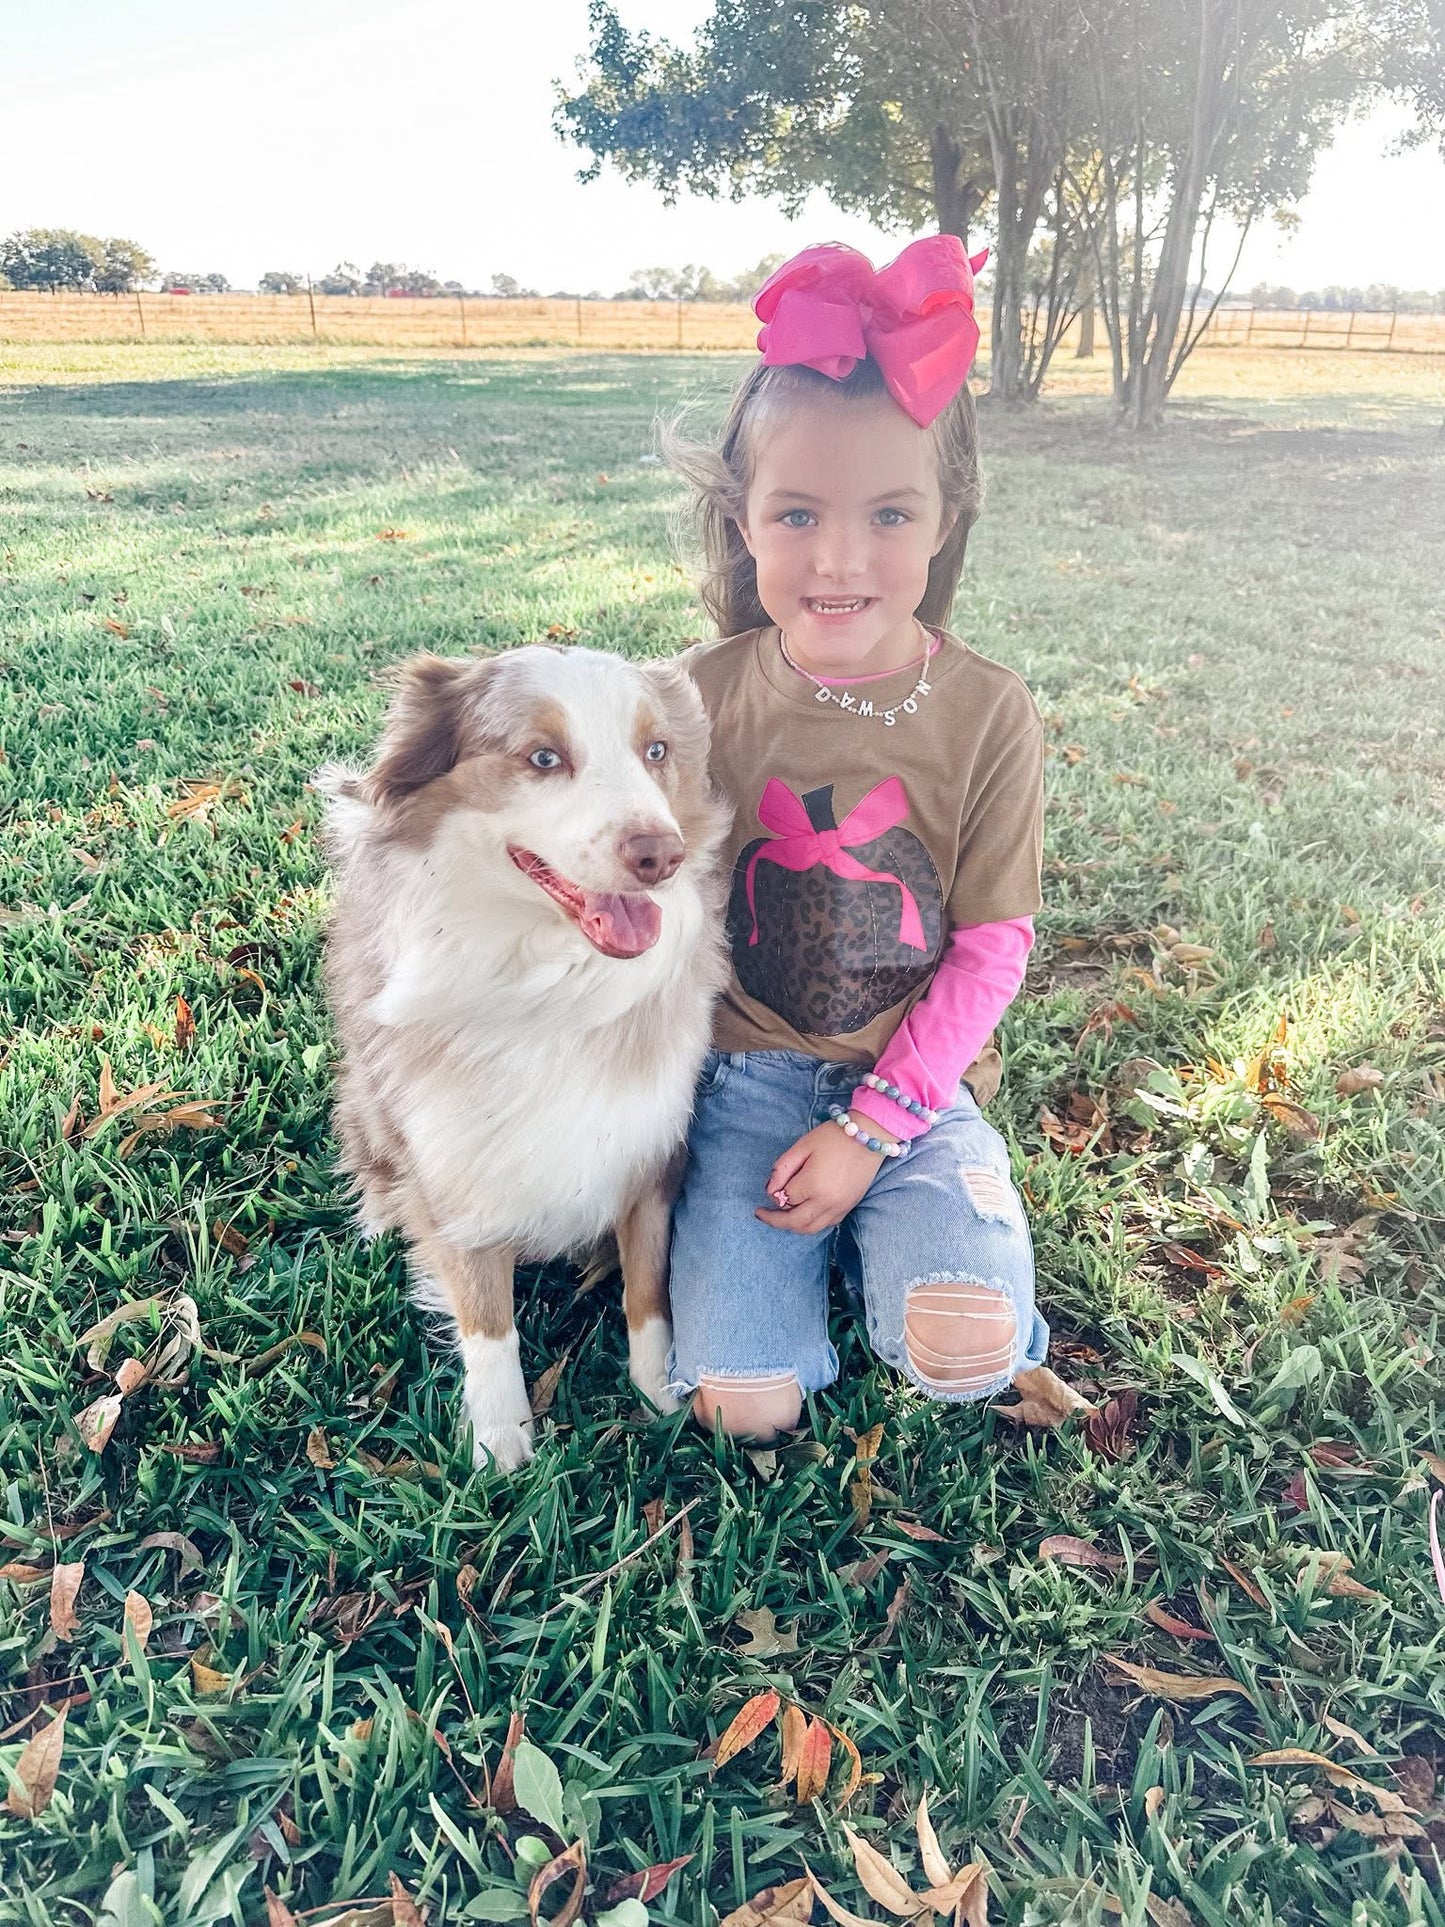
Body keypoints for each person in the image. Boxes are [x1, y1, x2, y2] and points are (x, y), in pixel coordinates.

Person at [662, 236, 1055, 1441]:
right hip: (741, 1081)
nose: (838, 558)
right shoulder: (687, 696)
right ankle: (788, 1259)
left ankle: (902, 1216)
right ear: (743, 521)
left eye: (889, 512)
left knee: (962, 1348)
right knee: (743, 1408)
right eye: (796, 513)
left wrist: (871, 1129)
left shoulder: (988, 712)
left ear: (944, 519)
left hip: (913, 1092)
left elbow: (988, 950)